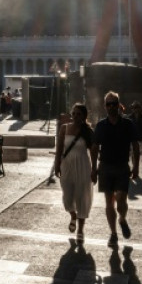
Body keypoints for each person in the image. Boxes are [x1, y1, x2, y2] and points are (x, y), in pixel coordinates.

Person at [91, 91, 139, 248]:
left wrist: (136, 166)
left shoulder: (128, 124)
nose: (111, 106)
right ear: (105, 106)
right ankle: (113, 234)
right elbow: (94, 148)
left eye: (114, 103)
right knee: (109, 202)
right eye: (108, 104)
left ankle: (122, 218)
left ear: (119, 105)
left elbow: (135, 146)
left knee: (121, 200)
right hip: (105, 167)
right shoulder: (101, 126)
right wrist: (93, 169)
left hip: (122, 167)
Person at [53, 103, 94, 243]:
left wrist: (95, 169)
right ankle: (73, 216)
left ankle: (80, 229)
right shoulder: (64, 128)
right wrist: (56, 165)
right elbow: (59, 148)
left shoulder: (87, 131)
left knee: (82, 197)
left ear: (84, 116)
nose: (76, 116)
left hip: (83, 166)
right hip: (67, 166)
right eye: (74, 113)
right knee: (67, 197)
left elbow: (93, 151)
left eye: (79, 114)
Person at [128, 101, 142, 175]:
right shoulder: (129, 117)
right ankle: (134, 167)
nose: (136, 109)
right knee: (133, 155)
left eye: (137, 107)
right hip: (133, 140)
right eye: (134, 108)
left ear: (140, 108)